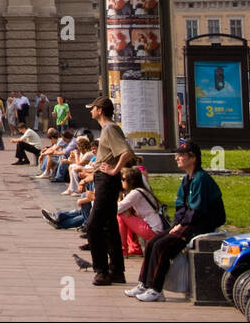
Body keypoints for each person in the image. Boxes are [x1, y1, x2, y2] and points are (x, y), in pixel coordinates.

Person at [128, 142, 225, 302]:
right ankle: (144, 283)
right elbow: (181, 205)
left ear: (192, 158)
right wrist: (176, 224)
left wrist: (180, 225)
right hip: (188, 222)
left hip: (201, 223)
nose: (176, 158)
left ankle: (156, 289)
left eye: (181, 155)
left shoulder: (201, 179)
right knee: (152, 242)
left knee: (163, 247)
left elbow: (197, 210)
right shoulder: (187, 178)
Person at [83, 96, 134, 286]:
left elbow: (126, 152)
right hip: (104, 179)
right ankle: (117, 271)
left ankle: (101, 271)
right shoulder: (107, 129)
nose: (90, 111)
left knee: (93, 225)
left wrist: (114, 169)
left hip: (107, 180)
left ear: (100, 110)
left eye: (92, 108)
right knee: (109, 226)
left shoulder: (110, 128)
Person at [116, 167, 163, 257]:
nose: (122, 181)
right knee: (124, 214)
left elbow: (117, 208)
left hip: (152, 230)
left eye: (123, 179)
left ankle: (122, 250)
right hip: (155, 228)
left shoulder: (136, 193)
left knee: (120, 215)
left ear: (130, 181)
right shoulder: (143, 191)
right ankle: (132, 247)